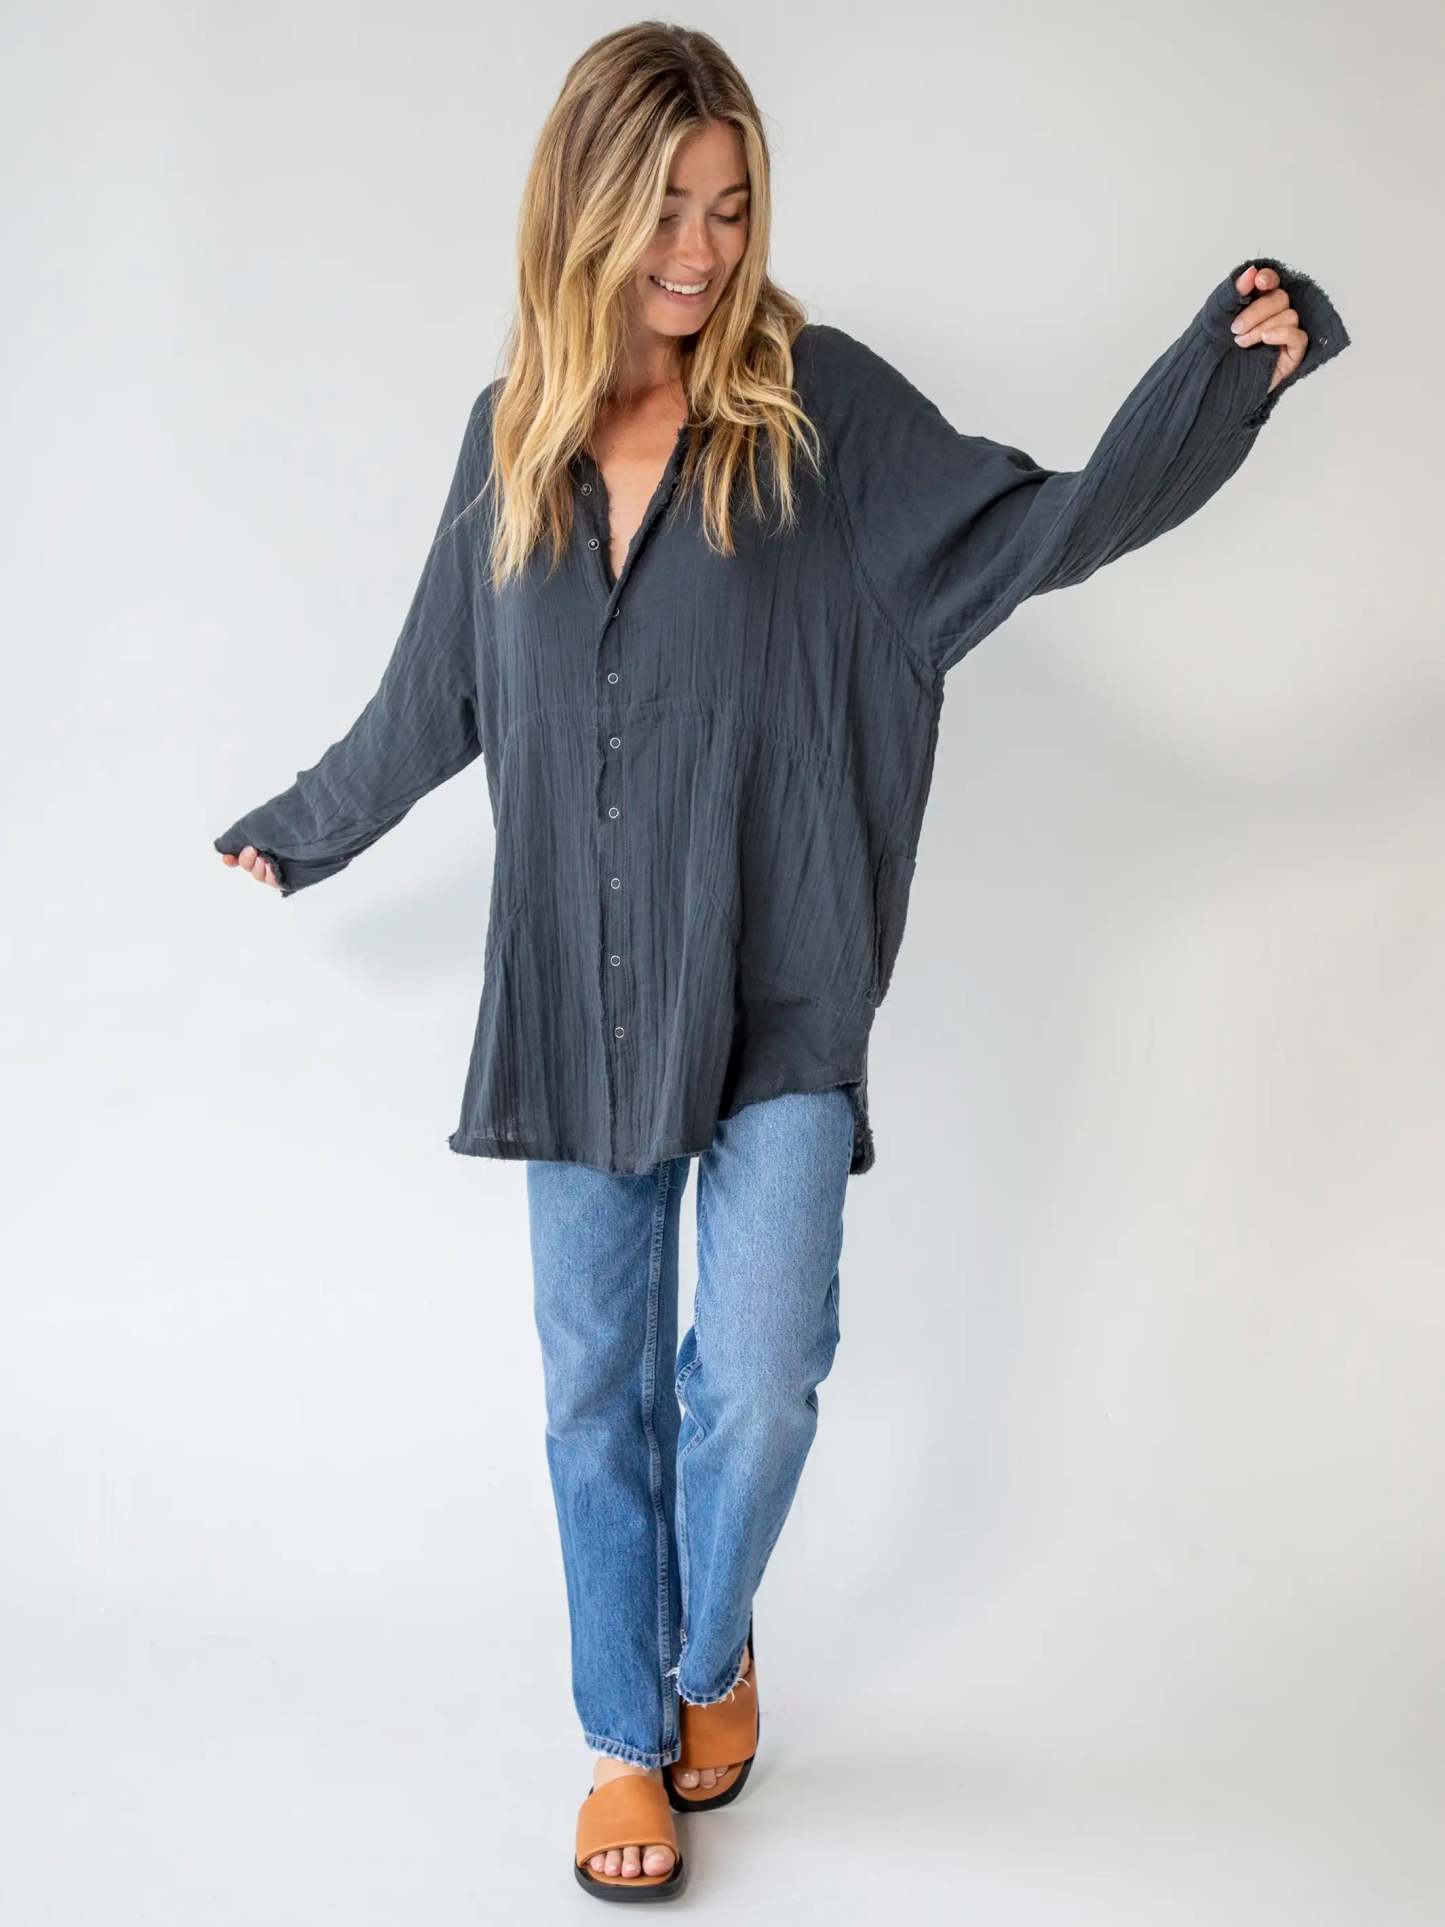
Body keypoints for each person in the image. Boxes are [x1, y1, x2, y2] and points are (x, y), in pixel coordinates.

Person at [213, 20, 1351, 1904]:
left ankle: (702, 1646)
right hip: (582, 996)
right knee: (594, 1395)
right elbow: (435, 693)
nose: (699, 250)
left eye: (730, 208)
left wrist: (1219, 381)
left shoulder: (818, 411)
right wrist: (304, 824)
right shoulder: (510, 439)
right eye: (664, 209)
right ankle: (622, 1744)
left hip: (781, 982)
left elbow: (1040, 530)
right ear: (582, 210)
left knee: (758, 1375)